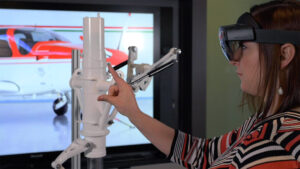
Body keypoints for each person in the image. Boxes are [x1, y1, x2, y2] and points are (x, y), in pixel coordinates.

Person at [98, 0, 300, 168]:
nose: (234, 59)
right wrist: (133, 112)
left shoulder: (277, 144)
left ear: (284, 55)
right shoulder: (265, 121)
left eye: (244, 47)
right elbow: (202, 155)